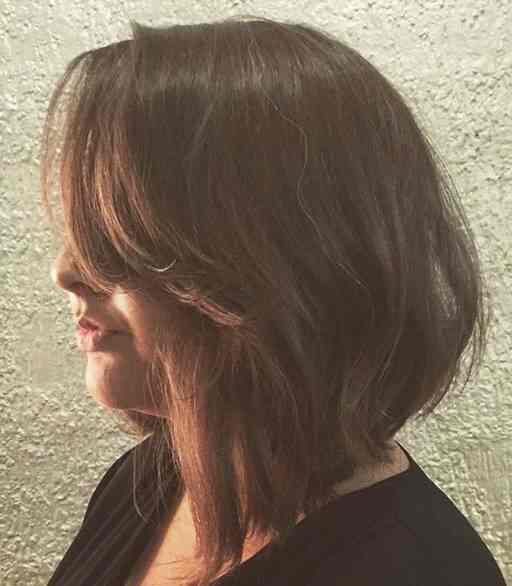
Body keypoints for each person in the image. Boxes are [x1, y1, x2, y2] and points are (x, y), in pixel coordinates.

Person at [41, 15, 506, 586]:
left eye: (119, 237)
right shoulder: (150, 481)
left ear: (281, 262)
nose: (66, 271)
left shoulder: (420, 572)